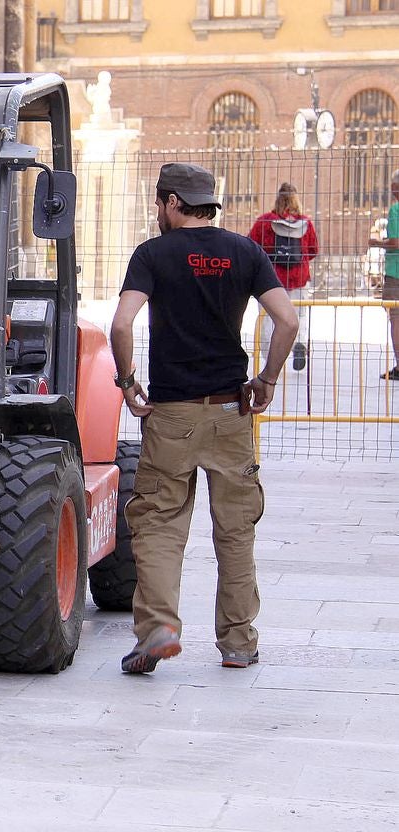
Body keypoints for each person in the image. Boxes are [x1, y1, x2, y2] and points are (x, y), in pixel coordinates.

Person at [109, 163, 298, 675]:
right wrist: (268, 379)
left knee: (159, 526)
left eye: (158, 203)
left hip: (171, 414)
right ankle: (238, 643)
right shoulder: (245, 251)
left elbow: (122, 323)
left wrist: (127, 384)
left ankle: (159, 631)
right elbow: (287, 319)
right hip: (232, 411)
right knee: (235, 531)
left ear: (172, 202)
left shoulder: (152, 255)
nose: (156, 212)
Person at [248, 183, 317, 371]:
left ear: (277, 198)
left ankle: (268, 354)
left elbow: (252, 246)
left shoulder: (264, 221)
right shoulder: (305, 223)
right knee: (300, 314)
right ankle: (299, 343)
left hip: (271, 279)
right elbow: (313, 251)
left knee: (268, 316)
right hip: (298, 278)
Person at [368, 170, 399, 380]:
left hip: (396, 272)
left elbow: (396, 243)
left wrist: (376, 242)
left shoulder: (396, 210)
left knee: (396, 319)